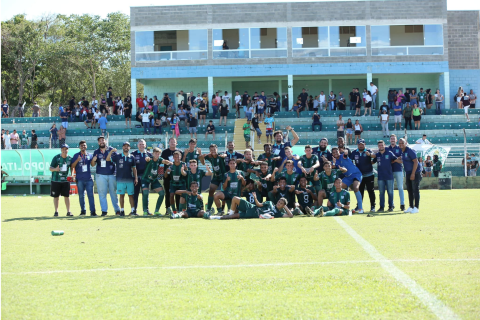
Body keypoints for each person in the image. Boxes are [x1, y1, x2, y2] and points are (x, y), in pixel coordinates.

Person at [91, 136, 121, 216]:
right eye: (100, 141)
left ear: (105, 141)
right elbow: (93, 165)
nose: (101, 142)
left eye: (102, 140)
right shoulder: (96, 152)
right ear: (98, 142)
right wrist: (93, 160)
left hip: (112, 174)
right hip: (100, 175)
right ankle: (104, 211)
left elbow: (116, 160)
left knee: (113, 193)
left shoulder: (112, 150)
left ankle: (117, 210)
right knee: (102, 194)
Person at [107, 142, 138, 216]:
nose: (126, 147)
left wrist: (136, 178)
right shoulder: (118, 156)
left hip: (130, 179)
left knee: (131, 195)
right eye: (124, 146)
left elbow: (134, 168)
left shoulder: (132, 157)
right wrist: (111, 151)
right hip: (120, 179)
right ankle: (122, 211)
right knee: (121, 195)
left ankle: (133, 210)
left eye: (127, 146)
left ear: (129, 148)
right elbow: (108, 159)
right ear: (122, 147)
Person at [206, 194, 292, 220]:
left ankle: (213, 217)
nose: (278, 203)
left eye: (281, 203)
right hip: (252, 207)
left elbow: (290, 215)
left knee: (234, 216)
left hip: (253, 214)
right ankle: (230, 213)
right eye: (279, 201)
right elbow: (259, 205)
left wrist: (285, 207)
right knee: (235, 198)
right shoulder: (270, 203)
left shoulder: (278, 213)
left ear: (283, 206)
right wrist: (255, 198)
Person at [141, 147, 172, 216]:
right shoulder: (150, 158)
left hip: (154, 180)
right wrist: (147, 159)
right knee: (145, 193)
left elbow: (165, 161)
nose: (157, 155)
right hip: (145, 179)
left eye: (158, 154)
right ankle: (145, 211)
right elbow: (147, 159)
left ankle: (156, 211)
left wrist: (171, 163)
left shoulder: (160, 159)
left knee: (162, 193)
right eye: (156, 153)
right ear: (153, 153)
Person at [332, 147, 364, 213]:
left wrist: (345, 150)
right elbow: (333, 167)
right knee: (338, 187)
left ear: (339, 151)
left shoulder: (343, 156)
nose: (335, 153)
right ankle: (339, 206)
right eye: (333, 152)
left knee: (356, 188)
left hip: (356, 174)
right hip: (348, 177)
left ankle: (360, 208)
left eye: (336, 151)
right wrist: (333, 163)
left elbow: (346, 153)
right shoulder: (334, 161)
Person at [371, 140, 400, 212]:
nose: (380, 147)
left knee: (390, 192)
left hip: (389, 176)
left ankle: (391, 206)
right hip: (380, 177)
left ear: (384, 146)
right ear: (378, 147)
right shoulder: (377, 155)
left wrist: (405, 160)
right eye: (379, 146)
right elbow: (372, 162)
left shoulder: (389, 153)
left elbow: (396, 160)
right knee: (381, 193)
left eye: (382, 145)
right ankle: (381, 207)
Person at [71, 140, 96, 216]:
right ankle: (83, 211)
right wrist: (77, 160)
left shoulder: (90, 155)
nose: (83, 146)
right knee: (81, 196)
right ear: (79, 147)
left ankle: (93, 212)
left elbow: (92, 165)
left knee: (91, 196)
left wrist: (94, 160)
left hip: (88, 179)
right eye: (81, 145)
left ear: (86, 146)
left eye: (84, 145)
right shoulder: (76, 155)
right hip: (80, 179)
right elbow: (72, 166)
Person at [350, 139, 376, 212]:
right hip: (359, 176)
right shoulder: (354, 152)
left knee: (371, 191)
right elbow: (350, 161)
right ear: (357, 145)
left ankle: (373, 206)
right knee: (360, 191)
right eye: (359, 144)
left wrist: (370, 154)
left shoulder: (368, 150)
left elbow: (375, 156)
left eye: (362, 144)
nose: (361, 146)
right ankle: (359, 206)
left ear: (365, 144)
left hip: (369, 174)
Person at [200, 144, 227, 212]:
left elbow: (225, 155)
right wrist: (201, 156)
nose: (213, 151)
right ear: (210, 151)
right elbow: (202, 162)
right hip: (216, 177)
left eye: (214, 149)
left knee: (225, 192)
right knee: (211, 190)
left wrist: (224, 156)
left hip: (224, 176)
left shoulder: (220, 155)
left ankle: (225, 209)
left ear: (217, 149)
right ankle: (209, 209)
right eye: (211, 150)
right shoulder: (209, 157)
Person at [398, 138, 421, 213]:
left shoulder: (410, 150)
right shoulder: (402, 152)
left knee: (415, 190)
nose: (401, 144)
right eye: (400, 143)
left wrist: (413, 173)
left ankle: (416, 207)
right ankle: (411, 206)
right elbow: (403, 161)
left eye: (402, 143)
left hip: (415, 172)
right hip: (408, 172)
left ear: (406, 143)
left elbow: (415, 162)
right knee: (409, 190)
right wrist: (394, 159)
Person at [50, 144, 73, 217]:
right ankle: (56, 212)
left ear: (68, 150)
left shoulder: (70, 158)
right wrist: (55, 169)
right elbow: (50, 168)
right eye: (63, 149)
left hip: (65, 180)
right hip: (56, 180)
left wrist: (72, 174)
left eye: (66, 149)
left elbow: (72, 167)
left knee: (67, 196)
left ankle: (68, 211)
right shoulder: (56, 158)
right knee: (56, 196)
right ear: (61, 150)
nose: (64, 150)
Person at [386, 135, 405, 211]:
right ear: (390, 140)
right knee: (390, 189)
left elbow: (402, 159)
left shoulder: (400, 148)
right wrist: (397, 159)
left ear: (396, 140)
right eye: (391, 139)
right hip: (389, 170)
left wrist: (394, 160)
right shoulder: (386, 149)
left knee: (400, 188)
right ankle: (391, 205)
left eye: (394, 138)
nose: (393, 140)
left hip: (398, 170)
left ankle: (402, 204)